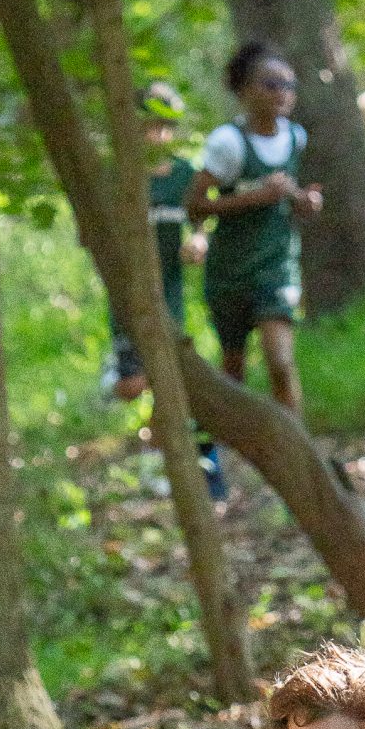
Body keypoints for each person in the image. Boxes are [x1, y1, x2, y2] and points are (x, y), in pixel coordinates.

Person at [99, 81, 226, 505]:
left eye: (165, 126)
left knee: (167, 382)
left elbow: (200, 225)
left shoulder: (186, 177)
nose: (158, 135)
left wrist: (199, 242)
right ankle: (111, 379)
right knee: (134, 384)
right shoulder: (119, 178)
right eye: (149, 125)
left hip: (169, 300)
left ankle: (167, 468)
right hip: (127, 303)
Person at [186, 42, 321, 418]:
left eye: (289, 86)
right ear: (245, 91)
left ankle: (297, 451)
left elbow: (288, 197)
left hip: (276, 266)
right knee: (233, 368)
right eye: (271, 85)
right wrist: (255, 198)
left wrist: (304, 201)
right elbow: (195, 205)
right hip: (230, 271)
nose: (282, 94)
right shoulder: (227, 143)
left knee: (280, 360)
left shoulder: (296, 138)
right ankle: (229, 456)